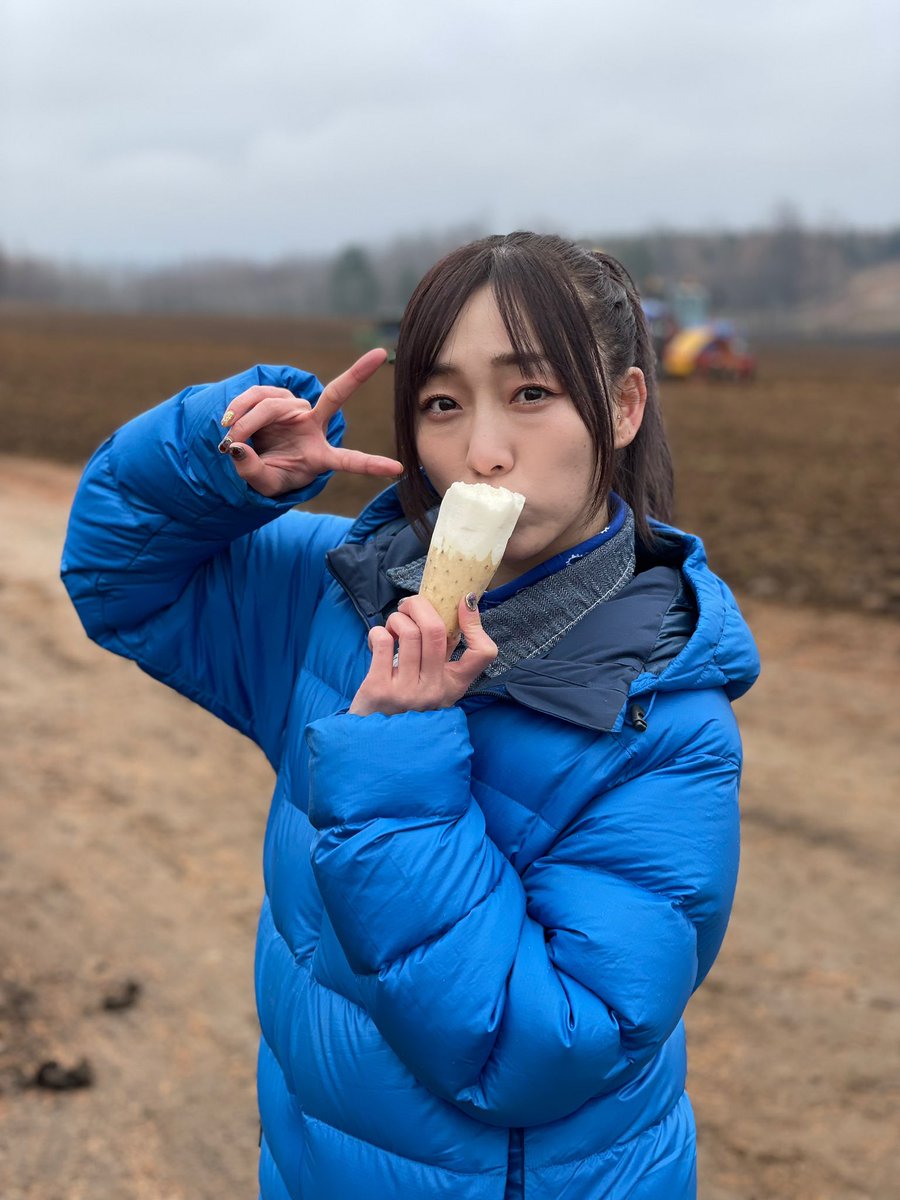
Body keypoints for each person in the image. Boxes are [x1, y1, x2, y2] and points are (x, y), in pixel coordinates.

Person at [62, 232, 760, 1199]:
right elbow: (116, 579)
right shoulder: (342, 598)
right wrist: (211, 463)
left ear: (624, 406)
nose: (482, 453)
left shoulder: (663, 720)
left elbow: (538, 1050)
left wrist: (397, 761)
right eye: (442, 403)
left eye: (531, 393)